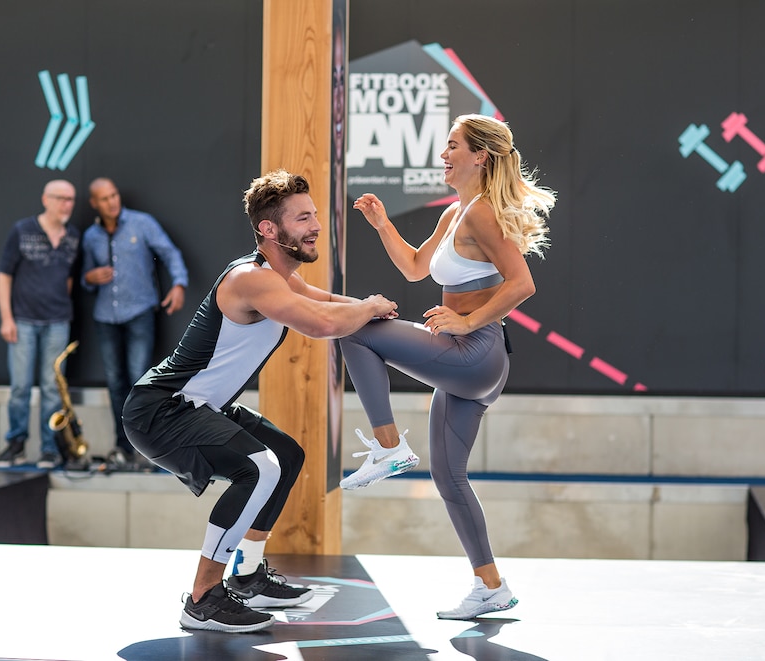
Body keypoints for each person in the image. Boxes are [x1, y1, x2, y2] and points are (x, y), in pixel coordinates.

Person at [122, 169, 398, 633]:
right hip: (161, 409)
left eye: (314, 216)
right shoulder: (252, 279)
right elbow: (321, 323)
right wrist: (369, 308)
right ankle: (203, 598)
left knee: (287, 456)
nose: (314, 226)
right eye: (302, 218)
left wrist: (374, 307)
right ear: (269, 229)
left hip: (200, 406)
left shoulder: (276, 276)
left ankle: (247, 573)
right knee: (261, 467)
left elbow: (326, 300)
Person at [339, 114, 555, 620]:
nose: (443, 155)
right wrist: (382, 225)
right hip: (475, 365)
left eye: (452, 146)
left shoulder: (481, 213)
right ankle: (492, 585)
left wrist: (466, 322)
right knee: (449, 476)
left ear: (479, 156)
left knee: (355, 328)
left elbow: (521, 283)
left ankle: (390, 448)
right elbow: (416, 268)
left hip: (475, 351)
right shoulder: (456, 214)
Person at [81, 178, 188, 468]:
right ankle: (122, 445)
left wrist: (179, 284)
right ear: (95, 203)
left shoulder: (142, 224)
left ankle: (147, 447)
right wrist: (89, 279)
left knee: (140, 380)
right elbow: (85, 278)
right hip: (106, 316)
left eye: (114, 195)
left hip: (139, 311)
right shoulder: (91, 236)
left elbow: (169, 252)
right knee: (115, 383)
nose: (112, 201)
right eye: (104, 198)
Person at [0, 180, 82, 469]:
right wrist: (7, 318)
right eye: (60, 198)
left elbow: (67, 279)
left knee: (52, 388)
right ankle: (16, 443)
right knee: (20, 386)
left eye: (70, 199)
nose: (66, 204)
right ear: (45, 199)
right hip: (23, 321)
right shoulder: (22, 230)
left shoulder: (73, 236)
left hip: (57, 321)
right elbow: (4, 276)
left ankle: (48, 449)